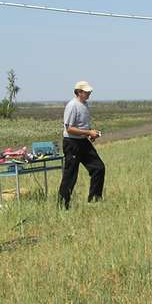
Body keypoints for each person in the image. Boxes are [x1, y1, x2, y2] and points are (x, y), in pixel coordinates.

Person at [58, 80, 105, 209]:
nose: (89, 93)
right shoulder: (72, 105)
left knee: (98, 168)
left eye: (89, 91)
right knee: (70, 175)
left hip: (83, 142)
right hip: (71, 143)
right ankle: (62, 206)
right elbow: (69, 129)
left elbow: (81, 126)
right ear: (79, 92)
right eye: (86, 91)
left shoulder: (85, 105)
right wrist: (88, 132)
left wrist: (90, 134)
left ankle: (95, 200)